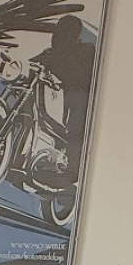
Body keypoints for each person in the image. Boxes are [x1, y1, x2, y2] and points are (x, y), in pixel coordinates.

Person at [29, 15, 96, 183]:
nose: (58, 36)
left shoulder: (87, 51)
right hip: (57, 98)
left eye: (65, 31)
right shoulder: (51, 53)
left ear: (74, 33)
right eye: (58, 31)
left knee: (74, 128)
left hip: (79, 98)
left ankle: (69, 171)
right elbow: (33, 64)